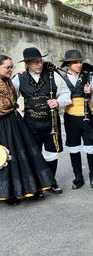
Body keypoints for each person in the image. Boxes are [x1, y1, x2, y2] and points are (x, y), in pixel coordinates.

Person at [12, 47, 72, 194]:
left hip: (51, 122)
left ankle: (51, 181)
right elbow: (8, 95)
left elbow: (66, 93)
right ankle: (37, 185)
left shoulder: (53, 76)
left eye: (40, 61)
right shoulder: (19, 78)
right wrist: (16, 108)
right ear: (27, 64)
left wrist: (58, 102)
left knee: (52, 153)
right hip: (30, 124)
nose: (39, 64)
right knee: (34, 153)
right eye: (35, 62)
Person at [0, 54, 57, 205]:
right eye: (7, 67)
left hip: (14, 120)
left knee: (20, 156)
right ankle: (8, 194)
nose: (10, 70)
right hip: (1, 123)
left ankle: (25, 190)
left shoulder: (9, 81)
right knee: (6, 158)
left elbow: (13, 99)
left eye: (11, 67)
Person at [59, 49, 93, 190]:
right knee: (74, 148)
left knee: (90, 147)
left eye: (80, 61)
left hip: (87, 116)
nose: (79, 64)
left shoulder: (90, 77)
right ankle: (78, 177)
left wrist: (92, 92)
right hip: (71, 119)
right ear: (68, 63)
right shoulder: (61, 77)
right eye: (75, 62)